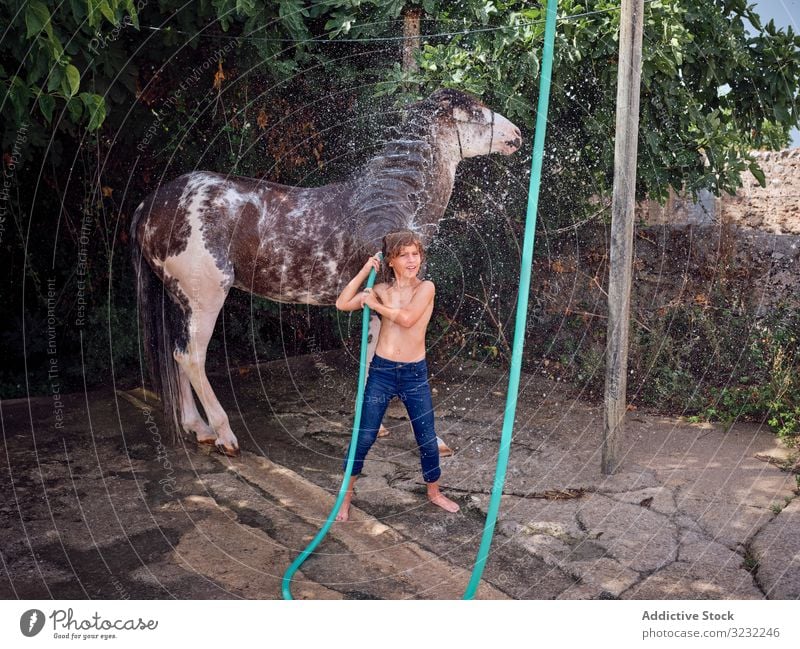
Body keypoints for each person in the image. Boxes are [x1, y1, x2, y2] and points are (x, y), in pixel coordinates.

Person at [334, 230, 460, 521]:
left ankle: (434, 492)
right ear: (391, 260)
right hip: (382, 372)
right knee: (364, 437)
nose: (412, 260)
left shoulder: (425, 288)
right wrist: (366, 271)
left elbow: (406, 319)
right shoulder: (381, 289)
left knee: (427, 440)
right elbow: (342, 303)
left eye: (415, 254)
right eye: (404, 255)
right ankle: (346, 498)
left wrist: (373, 304)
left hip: (415, 374)